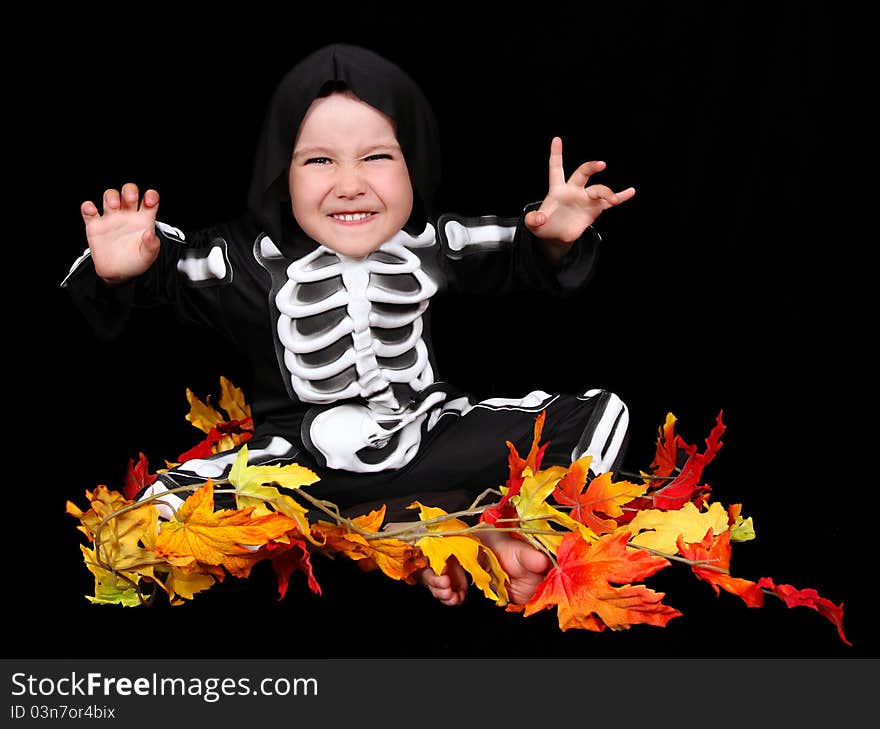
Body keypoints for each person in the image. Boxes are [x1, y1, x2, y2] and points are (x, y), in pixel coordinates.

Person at [62, 43, 635, 607]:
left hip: (426, 437)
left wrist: (553, 237)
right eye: (318, 160)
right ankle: (441, 528)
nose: (350, 183)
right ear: (280, 172)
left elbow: (518, 247)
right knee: (141, 522)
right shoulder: (247, 260)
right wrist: (123, 270)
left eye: (377, 157)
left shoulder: (431, 244)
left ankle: (487, 529)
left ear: (416, 164)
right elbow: (166, 268)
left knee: (599, 415)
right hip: (297, 466)